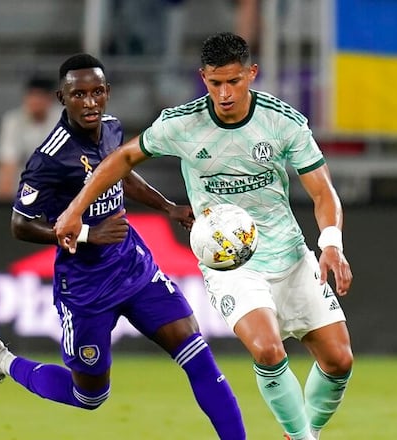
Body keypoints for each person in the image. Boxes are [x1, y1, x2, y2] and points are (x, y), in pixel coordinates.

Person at [55, 33, 354, 440]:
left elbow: (322, 192)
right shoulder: (182, 124)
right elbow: (123, 157)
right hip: (231, 261)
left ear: (252, 73)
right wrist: (74, 209)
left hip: (289, 255)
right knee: (268, 349)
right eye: (215, 84)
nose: (225, 93)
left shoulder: (282, 122)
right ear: (203, 78)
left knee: (339, 361)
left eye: (233, 81)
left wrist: (331, 243)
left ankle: (303, 433)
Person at [0, 53, 246, 440]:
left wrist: (167, 206)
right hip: (85, 286)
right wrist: (86, 235)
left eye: (97, 92)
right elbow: (20, 225)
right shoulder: (48, 160)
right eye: (78, 94)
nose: (90, 102)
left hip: (133, 268)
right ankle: (0, 359)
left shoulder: (113, 129)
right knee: (90, 395)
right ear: (61, 98)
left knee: (197, 355)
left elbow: (122, 176)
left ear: (108, 93)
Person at [0, 76, 61, 200]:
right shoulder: (12, 121)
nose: (35, 101)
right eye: (31, 96)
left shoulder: (66, 121)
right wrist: (3, 206)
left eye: (40, 96)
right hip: (23, 192)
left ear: (50, 99)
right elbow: (7, 165)